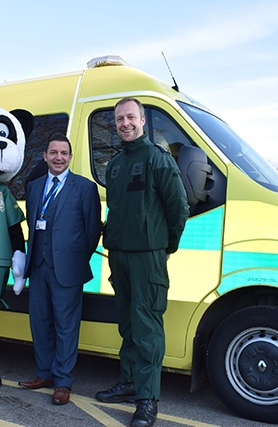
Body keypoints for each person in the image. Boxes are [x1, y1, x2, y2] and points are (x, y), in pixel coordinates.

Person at [95, 98, 189, 427]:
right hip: (119, 256)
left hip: (148, 257)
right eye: (120, 119)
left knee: (147, 329)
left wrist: (165, 246)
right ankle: (129, 382)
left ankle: (147, 400)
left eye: (130, 117)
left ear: (142, 121)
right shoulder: (115, 164)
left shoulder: (157, 158)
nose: (125, 123)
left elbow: (178, 209)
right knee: (128, 325)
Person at [17, 134, 102, 405]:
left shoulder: (85, 188)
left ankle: (63, 380)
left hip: (68, 268)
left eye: (64, 153)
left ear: (70, 157)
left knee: (66, 325)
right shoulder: (34, 187)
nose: (58, 157)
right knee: (40, 322)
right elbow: (34, 223)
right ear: (44, 156)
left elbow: (91, 232)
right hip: (39, 266)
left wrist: (74, 258)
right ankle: (44, 373)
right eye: (53, 152)